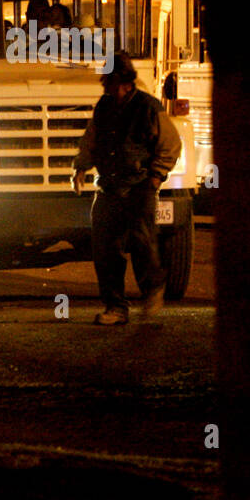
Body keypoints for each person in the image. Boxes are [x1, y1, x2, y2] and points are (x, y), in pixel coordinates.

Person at [71, 52, 182, 325]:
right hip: (109, 187)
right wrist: (81, 167)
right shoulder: (105, 106)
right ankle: (116, 308)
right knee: (106, 251)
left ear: (122, 81)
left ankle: (153, 288)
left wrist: (155, 177)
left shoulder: (148, 107)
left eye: (108, 81)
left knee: (144, 244)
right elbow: (92, 138)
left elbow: (171, 144)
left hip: (139, 187)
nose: (105, 87)